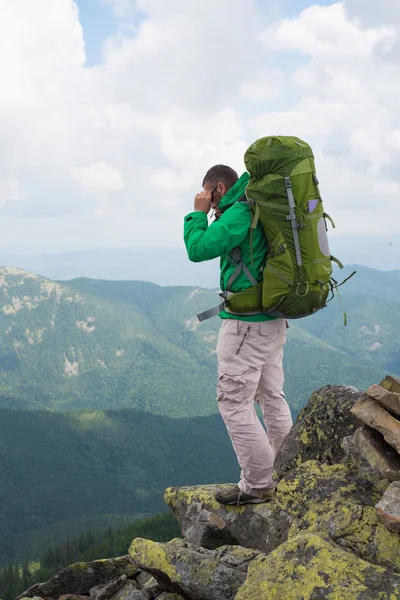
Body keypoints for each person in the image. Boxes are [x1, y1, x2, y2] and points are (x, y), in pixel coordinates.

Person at [183, 164, 293, 506]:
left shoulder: (240, 213)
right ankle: (290, 469)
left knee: (234, 403)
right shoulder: (254, 208)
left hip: (246, 326)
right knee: (271, 395)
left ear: (218, 187)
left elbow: (197, 249)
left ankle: (259, 484)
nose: (212, 207)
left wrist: (196, 213)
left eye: (210, 198)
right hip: (272, 321)